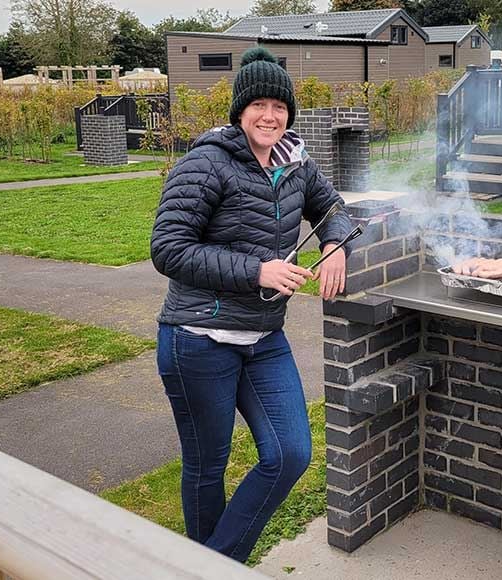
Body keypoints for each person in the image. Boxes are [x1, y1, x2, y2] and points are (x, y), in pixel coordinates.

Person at [150, 47, 353, 563]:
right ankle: (210, 567)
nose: (271, 116)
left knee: (290, 453)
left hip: (263, 339)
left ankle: (214, 564)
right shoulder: (207, 162)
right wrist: (258, 271)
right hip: (198, 339)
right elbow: (169, 248)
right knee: (208, 464)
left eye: (280, 106)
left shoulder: (296, 163)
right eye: (259, 105)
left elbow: (333, 210)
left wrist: (334, 243)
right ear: (240, 111)